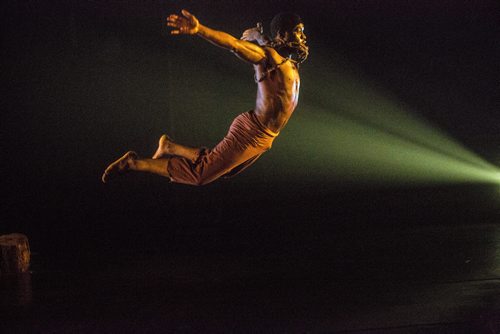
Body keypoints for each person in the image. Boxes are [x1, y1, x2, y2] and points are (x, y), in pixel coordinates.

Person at [102, 9, 308, 185]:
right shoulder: (267, 58)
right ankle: (134, 163)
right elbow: (234, 45)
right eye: (299, 31)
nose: (303, 37)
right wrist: (199, 29)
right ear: (283, 33)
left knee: (224, 170)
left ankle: (170, 147)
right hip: (251, 132)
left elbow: (271, 48)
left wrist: (261, 37)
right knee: (199, 175)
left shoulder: (287, 62)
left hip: (266, 138)